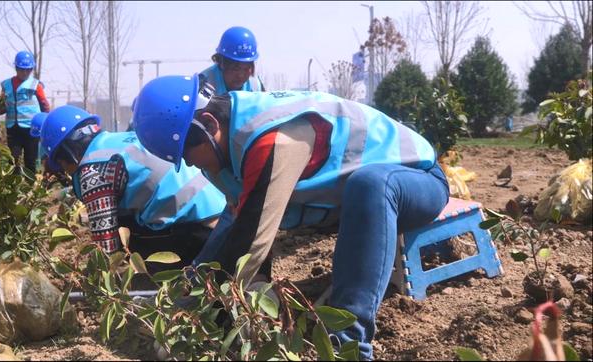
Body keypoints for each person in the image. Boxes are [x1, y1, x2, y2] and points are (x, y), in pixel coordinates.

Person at [131, 75, 450, 360]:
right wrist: (185, 299)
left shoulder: (272, 137)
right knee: (239, 223)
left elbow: (253, 240)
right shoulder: (225, 146)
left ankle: (349, 345)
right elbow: (236, 226)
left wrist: (207, 316)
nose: (189, 164)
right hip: (346, 203)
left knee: (369, 185)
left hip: (416, 182)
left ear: (209, 125)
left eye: (187, 154)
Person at [40, 105, 227, 271]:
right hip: (221, 212)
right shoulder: (122, 139)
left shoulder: (91, 171)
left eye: (63, 165)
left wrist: (97, 283)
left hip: (194, 231)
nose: (66, 172)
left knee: (126, 236)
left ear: (68, 153)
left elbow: (105, 244)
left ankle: (154, 278)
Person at [0, 51, 50, 176]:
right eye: (22, 69)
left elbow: (45, 105)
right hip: (13, 129)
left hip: (32, 129)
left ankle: (30, 188)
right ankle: (15, 188)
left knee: (30, 160)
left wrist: (45, 123)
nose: (25, 73)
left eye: (28, 70)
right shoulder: (6, 85)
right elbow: (3, 106)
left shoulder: (36, 85)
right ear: (16, 68)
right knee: (14, 159)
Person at [198, 26, 264, 95]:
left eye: (246, 69)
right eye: (236, 68)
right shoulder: (203, 84)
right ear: (221, 63)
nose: (240, 75)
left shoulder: (255, 87)